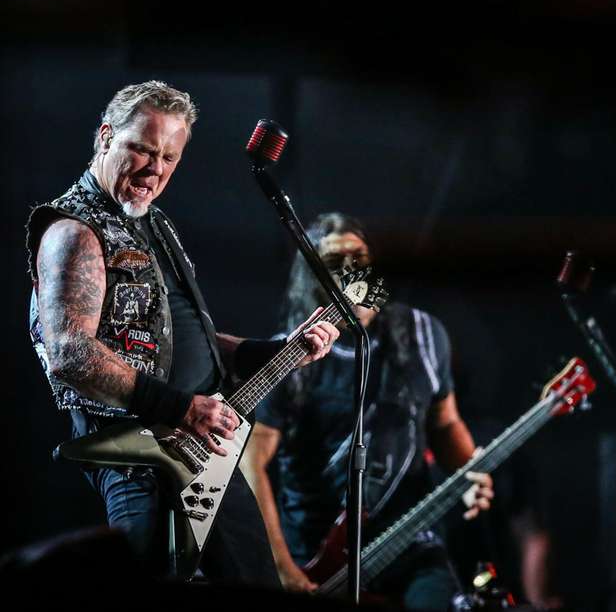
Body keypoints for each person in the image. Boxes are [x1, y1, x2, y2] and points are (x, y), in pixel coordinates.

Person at [26, 81, 339, 584]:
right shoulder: (74, 231)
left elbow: (183, 339)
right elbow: (71, 354)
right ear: (106, 137)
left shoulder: (154, 226)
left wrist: (278, 351)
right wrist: (183, 408)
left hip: (202, 449)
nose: (156, 169)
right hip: (139, 458)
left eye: (169, 157)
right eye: (143, 150)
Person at [241, 212, 493, 609]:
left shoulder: (425, 334)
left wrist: (467, 473)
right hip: (315, 553)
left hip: (408, 538)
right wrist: (281, 565)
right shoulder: (286, 354)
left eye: (359, 259)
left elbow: (444, 423)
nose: (350, 272)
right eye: (333, 264)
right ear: (312, 277)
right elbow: (251, 461)